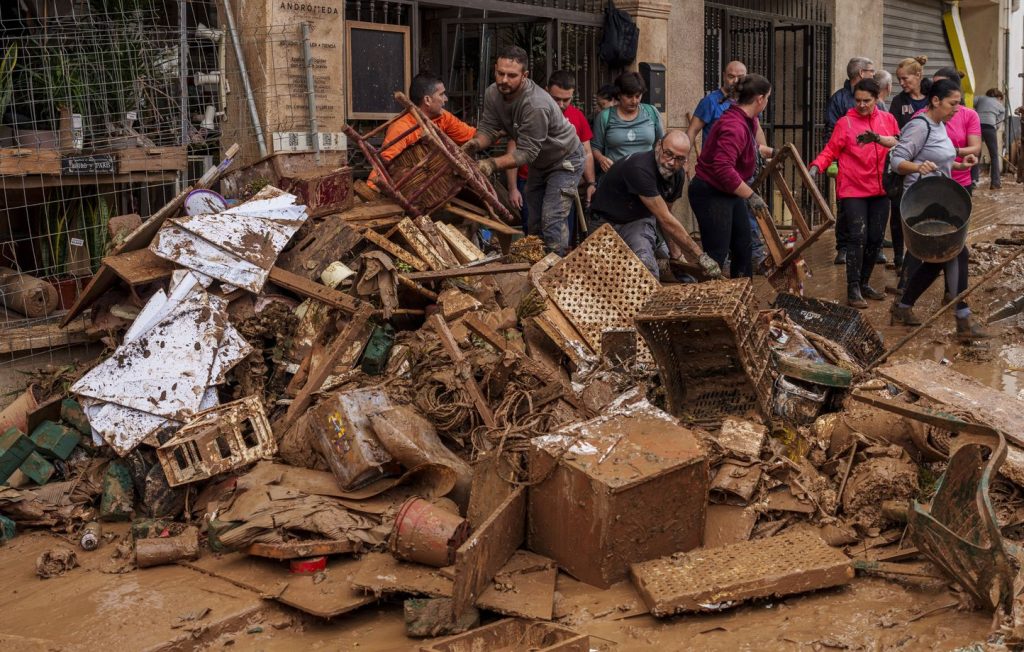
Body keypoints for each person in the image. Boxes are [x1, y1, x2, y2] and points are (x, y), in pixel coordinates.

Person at [889, 79, 987, 340]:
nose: (957, 109)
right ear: (935, 101)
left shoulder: (940, 125)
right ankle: (962, 320)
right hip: (920, 204)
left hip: (939, 199)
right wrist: (916, 167)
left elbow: (939, 159)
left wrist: (959, 164)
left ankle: (904, 306)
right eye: (953, 103)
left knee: (937, 261)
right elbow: (896, 160)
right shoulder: (919, 126)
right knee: (956, 252)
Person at [464, 46, 584, 256]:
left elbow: (526, 153)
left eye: (512, 75)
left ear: (525, 76)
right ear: (495, 69)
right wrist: (474, 144)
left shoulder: (535, 104)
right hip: (541, 161)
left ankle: (557, 271)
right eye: (500, 73)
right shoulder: (493, 93)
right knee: (534, 220)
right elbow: (489, 129)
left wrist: (491, 164)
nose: (504, 80)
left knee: (552, 219)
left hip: (565, 160)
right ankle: (536, 267)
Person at [808, 78, 899, 308]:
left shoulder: (888, 120)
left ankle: (865, 283)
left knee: (875, 239)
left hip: (881, 188)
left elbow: (900, 144)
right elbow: (830, 150)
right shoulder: (845, 123)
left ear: (877, 98)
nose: (861, 105)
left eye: (866, 101)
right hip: (852, 188)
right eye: (857, 100)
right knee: (857, 237)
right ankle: (853, 287)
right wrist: (816, 166)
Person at [590, 131, 720, 280]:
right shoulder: (640, 168)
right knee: (605, 275)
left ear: (686, 160)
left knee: (647, 269)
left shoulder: (677, 175)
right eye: (668, 154)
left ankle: (658, 265)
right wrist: (699, 255)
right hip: (605, 220)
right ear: (658, 146)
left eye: (679, 158)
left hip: (638, 220)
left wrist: (676, 254)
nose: (671, 162)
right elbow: (665, 219)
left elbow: (666, 216)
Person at [686, 59, 772, 267]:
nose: (767, 101)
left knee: (743, 246)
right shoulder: (733, 125)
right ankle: (709, 297)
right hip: (712, 191)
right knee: (717, 256)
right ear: (760, 99)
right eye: (768, 98)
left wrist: (772, 153)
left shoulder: (747, 119)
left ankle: (742, 295)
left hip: (729, 191)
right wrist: (751, 196)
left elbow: (751, 146)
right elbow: (723, 168)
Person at [506, 70, 597, 242]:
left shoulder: (577, 116)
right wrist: (512, 188)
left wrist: (591, 182)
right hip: (529, 178)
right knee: (533, 230)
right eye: (556, 99)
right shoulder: (531, 111)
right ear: (546, 91)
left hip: (562, 178)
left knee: (555, 227)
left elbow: (587, 152)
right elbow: (513, 150)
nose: (561, 104)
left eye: (566, 99)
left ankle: (555, 263)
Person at [369, 73, 475, 188]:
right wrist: (372, 189)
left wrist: (493, 134)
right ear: (427, 100)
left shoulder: (444, 117)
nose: (446, 99)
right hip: (413, 187)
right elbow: (383, 163)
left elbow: (471, 135)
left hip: (439, 184)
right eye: (442, 94)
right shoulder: (402, 127)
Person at [825, 57, 877, 266]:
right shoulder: (838, 99)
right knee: (844, 207)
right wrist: (833, 161)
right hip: (846, 165)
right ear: (862, 73)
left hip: (870, 167)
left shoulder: (876, 99)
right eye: (871, 71)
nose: (862, 105)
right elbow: (831, 131)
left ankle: (873, 247)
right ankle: (843, 247)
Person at [886, 55, 931, 271]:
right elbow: (893, 131)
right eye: (899, 79)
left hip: (929, 165)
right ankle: (898, 256)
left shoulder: (932, 97)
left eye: (905, 78)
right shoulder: (899, 101)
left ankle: (922, 254)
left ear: (918, 75)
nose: (902, 83)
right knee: (898, 211)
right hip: (903, 164)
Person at [592, 71, 664, 173]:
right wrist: (601, 159)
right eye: (629, 97)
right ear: (619, 95)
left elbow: (662, 143)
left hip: (646, 175)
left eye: (638, 96)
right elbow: (595, 147)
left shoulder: (651, 112)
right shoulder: (605, 117)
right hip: (616, 176)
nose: (634, 101)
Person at [975, 88, 1006, 189]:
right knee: (994, 156)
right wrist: (995, 126)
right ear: (999, 97)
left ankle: (973, 180)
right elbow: (1000, 119)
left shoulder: (979, 98)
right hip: (989, 128)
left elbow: (969, 103)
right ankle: (995, 183)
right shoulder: (1000, 105)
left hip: (976, 126)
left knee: (976, 154)